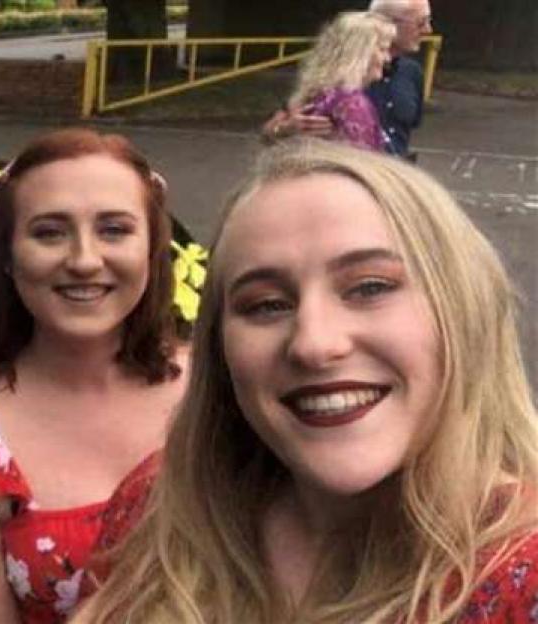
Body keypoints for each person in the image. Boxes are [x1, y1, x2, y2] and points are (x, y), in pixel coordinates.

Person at [75, 139, 538, 623]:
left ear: (467, 309)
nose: (314, 344)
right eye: (266, 304)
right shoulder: (156, 512)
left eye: (370, 287)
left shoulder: (519, 577)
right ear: (220, 350)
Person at [0, 128, 190, 623]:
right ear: (5, 254)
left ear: (151, 246)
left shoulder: (217, 389)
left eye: (114, 230)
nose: (84, 260)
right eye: (49, 232)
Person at [264, 0, 432, 159]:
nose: (428, 30)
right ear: (388, 22)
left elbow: (407, 131)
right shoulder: (332, 84)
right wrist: (286, 129)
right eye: (420, 23)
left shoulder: (412, 73)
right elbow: (270, 133)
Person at [281, 12, 395, 151]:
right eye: (383, 49)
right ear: (360, 53)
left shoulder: (319, 92)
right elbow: (363, 165)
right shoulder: (351, 104)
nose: (388, 58)